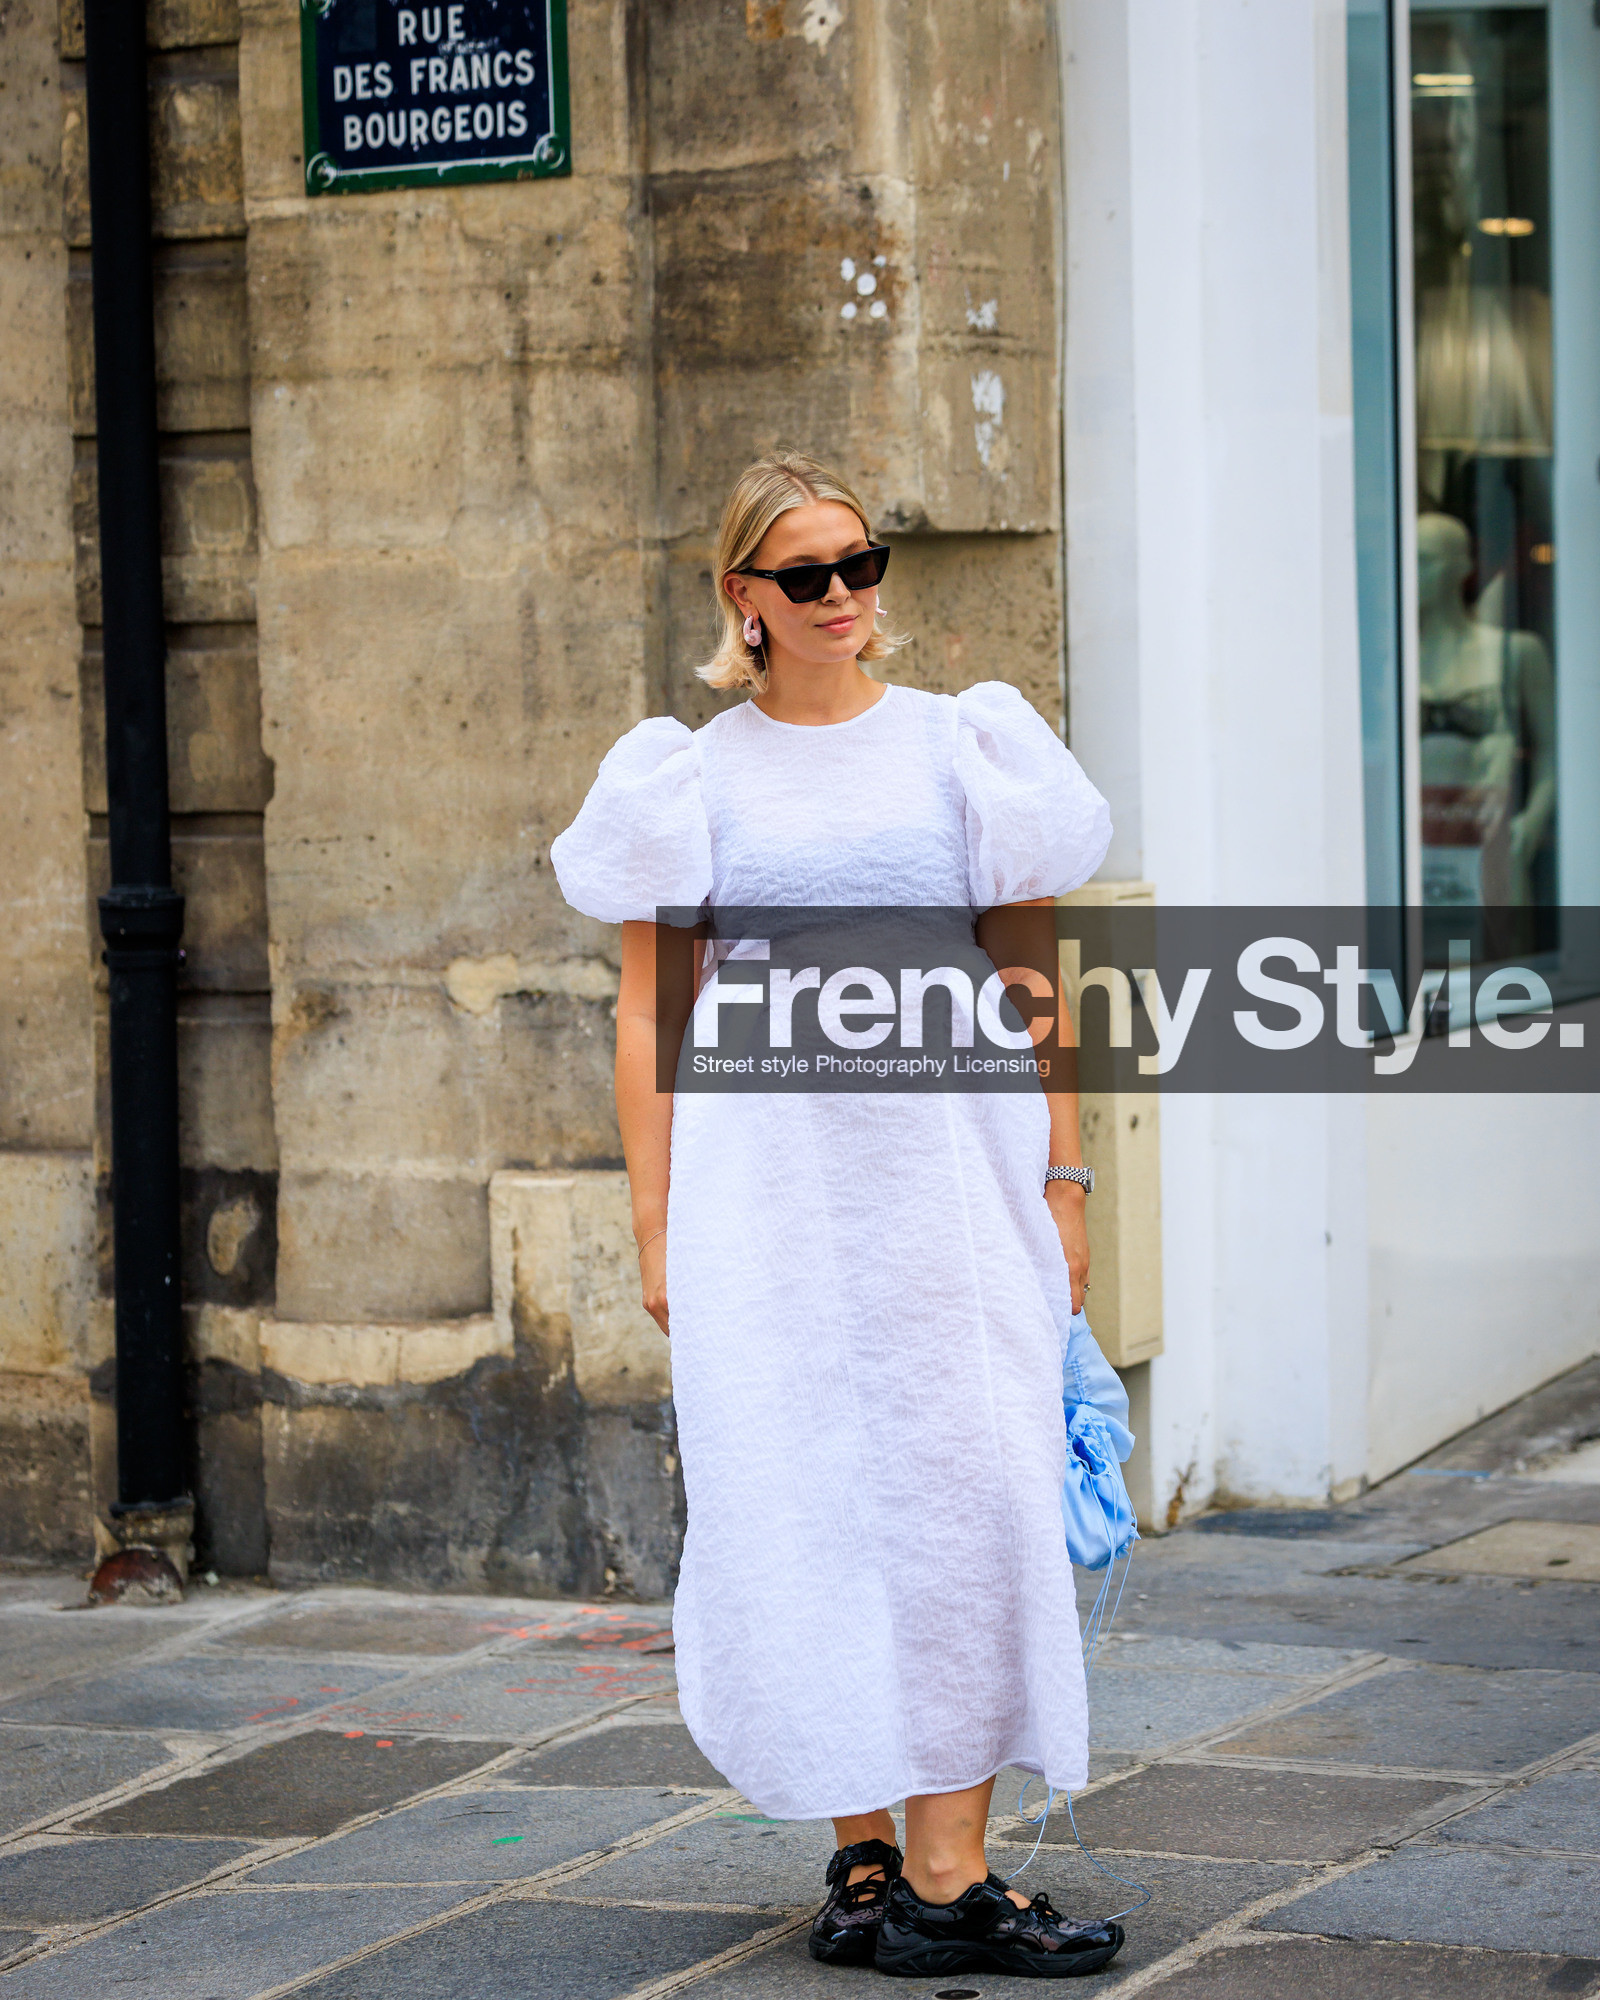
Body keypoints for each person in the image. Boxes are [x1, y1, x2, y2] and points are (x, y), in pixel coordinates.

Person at [550, 451, 1125, 1979]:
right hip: (769, 1200)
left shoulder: (969, 748)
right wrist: (658, 1226)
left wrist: (1064, 1180)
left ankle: (952, 1871)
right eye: (808, 576)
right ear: (743, 598)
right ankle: (866, 1860)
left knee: (969, 1497)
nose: (847, 598)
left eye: (863, 565)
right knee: (799, 1500)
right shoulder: (688, 774)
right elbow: (644, 1017)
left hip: (953, 1181)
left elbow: (1031, 981)